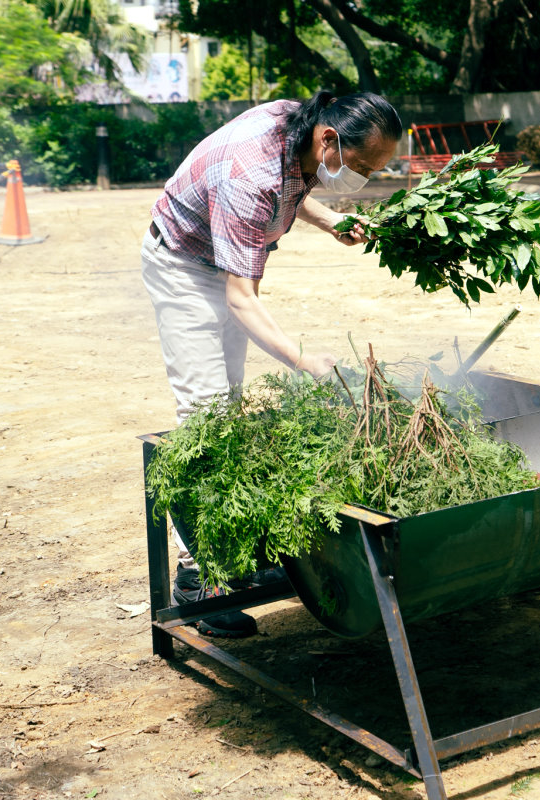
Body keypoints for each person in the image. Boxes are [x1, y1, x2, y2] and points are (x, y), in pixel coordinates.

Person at [142, 91, 403, 638]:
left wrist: (331, 218)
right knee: (205, 416)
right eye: (358, 167)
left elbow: (290, 191)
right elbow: (241, 298)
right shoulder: (250, 174)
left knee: (226, 406)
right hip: (185, 267)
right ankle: (199, 580)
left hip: (226, 255)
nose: (360, 178)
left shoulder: (299, 129)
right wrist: (304, 360)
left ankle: (228, 551)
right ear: (329, 139)